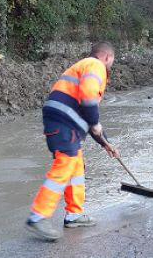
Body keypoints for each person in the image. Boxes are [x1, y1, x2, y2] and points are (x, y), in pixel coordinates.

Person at [26, 42, 119, 241]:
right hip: (63, 121)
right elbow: (88, 98)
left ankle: (74, 214)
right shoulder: (96, 66)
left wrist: (105, 143)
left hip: (64, 121)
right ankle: (38, 215)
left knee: (76, 166)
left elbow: (88, 113)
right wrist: (94, 122)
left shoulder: (84, 67)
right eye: (112, 61)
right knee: (65, 163)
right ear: (107, 57)